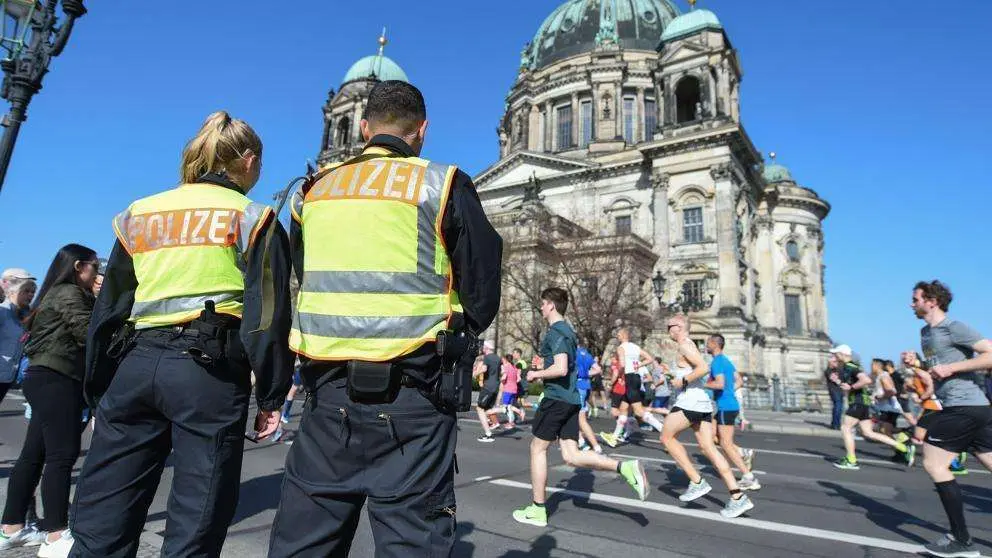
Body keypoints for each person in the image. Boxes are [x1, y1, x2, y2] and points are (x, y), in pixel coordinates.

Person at [268, 80, 503, 557]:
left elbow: (302, 273)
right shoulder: (442, 183)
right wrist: (459, 333)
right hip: (414, 394)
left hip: (326, 394)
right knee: (412, 542)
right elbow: (482, 286)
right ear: (422, 131)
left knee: (305, 543)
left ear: (362, 126)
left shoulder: (313, 191)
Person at [67, 111, 294, 558]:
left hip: (135, 363)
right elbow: (266, 315)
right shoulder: (254, 216)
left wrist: (98, 387)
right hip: (206, 370)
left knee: (104, 515)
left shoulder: (139, 213)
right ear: (248, 161)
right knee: (196, 517)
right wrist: (271, 395)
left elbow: (110, 307)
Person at [512, 288, 648, 527]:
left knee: (537, 448)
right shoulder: (569, 332)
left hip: (557, 398)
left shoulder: (557, 331)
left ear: (551, 305)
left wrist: (535, 373)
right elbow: (564, 363)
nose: (541, 308)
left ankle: (537, 509)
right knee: (571, 455)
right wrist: (544, 362)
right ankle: (623, 466)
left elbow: (561, 369)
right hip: (571, 399)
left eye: (543, 304)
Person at [1, 245, 99, 555]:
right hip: (57, 379)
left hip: (46, 378)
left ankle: (12, 528)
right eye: (94, 268)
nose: (96, 274)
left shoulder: (57, 292)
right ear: (79, 266)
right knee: (62, 455)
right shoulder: (70, 293)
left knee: (34, 455)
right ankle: (56, 535)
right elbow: (89, 334)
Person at [907, 281, 992, 558]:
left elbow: (990, 353)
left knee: (934, 463)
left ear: (932, 301)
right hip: (972, 407)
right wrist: (918, 367)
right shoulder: (925, 333)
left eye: (916, 299)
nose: (912, 304)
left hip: (964, 406)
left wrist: (953, 367)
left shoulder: (953, 327)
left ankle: (961, 541)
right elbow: (937, 373)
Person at [659, 314, 754, 518]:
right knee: (708, 447)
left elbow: (702, 368)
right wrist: (672, 374)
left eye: (670, 327)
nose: (668, 331)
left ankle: (696, 481)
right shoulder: (690, 345)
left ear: (680, 327)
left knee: (666, 437)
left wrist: (682, 381)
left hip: (690, 401)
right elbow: (694, 369)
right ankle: (737, 496)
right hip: (702, 403)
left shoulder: (685, 345)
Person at [829, 345, 914, 470]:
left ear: (842, 354)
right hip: (862, 403)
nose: (834, 357)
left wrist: (851, 388)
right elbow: (851, 385)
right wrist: (838, 382)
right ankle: (903, 447)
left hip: (858, 403)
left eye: (836, 354)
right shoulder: (849, 368)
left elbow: (866, 380)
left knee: (845, 428)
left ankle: (851, 460)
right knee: (868, 432)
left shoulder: (850, 367)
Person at [704, 334, 760, 491]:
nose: (706, 346)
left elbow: (720, 384)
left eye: (708, 343)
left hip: (725, 407)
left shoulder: (716, 362)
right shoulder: (726, 361)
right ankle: (743, 452)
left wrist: (705, 384)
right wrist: (730, 391)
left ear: (715, 344)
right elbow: (739, 381)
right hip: (729, 404)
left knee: (725, 443)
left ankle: (748, 477)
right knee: (712, 436)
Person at [600, 328, 665, 447]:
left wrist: (619, 373)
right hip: (636, 378)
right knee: (623, 409)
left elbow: (623, 365)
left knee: (639, 411)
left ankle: (663, 431)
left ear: (624, 335)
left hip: (629, 378)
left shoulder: (621, 348)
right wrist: (639, 364)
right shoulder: (635, 347)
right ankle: (614, 437)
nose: (617, 336)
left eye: (618, 334)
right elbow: (650, 359)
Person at [0, 271, 35, 404]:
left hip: (8, 376)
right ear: (13, 291)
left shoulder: (25, 315)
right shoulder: (2, 312)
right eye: (26, 291)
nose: (31, 295)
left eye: (33, 291)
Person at [575, 343, 604, 453]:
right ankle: (581, 441)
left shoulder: (574, 354)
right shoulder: (587, 354)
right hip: (586, 386)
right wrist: (586, 374)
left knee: (581, 419)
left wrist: (580, 374)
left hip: (578, 387)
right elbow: (598, 369)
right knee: (573, 416)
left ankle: (595, 446)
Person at [475, 340, 503, 442]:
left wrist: (474, 374)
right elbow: (502, 372)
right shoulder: (498, 358)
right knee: (487, 409)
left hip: (488, 386)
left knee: (479, 408)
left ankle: (488, 434)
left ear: (486, 348)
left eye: (483, 347)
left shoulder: (487, 358)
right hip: (495, 386)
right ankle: (506, 409)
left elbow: (484, 369)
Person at [870, 358, 903, 438]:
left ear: (877, 366)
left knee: (885, 430)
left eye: (872, 365)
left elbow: (891, 391)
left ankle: (903, 445)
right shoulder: (881, 376)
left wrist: (880, 397)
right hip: (885, 408)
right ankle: (907, 432)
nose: (870, 367)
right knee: (885, 429)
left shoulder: (883, 376)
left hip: (889, 408)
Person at [499, 353, 525, 429]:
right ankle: (511, 423)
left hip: (507, 389)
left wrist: (500, 380)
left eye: (503, 359)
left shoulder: (506, 367)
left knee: (505, 407)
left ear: (506, 360)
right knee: (509, 407)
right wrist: (513, 382)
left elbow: (504, 377)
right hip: (514, 389)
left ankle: (519, 411)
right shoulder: (514, 367)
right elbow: (519, 378)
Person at [824, 353, 845, 429]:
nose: (837, 363)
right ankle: (836, 424)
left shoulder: (839, 370)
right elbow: (835, 380)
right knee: (838, 406)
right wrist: (843, 384)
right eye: (835, 362)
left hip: (840, 391)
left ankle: (835, 423)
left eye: (837, 362)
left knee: (839, 407)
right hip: (834, 390)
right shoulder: (828, 370)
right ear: (830, 363)